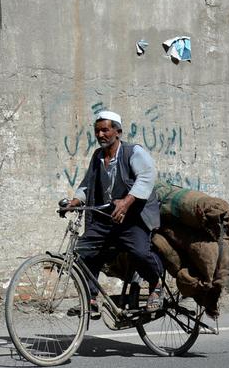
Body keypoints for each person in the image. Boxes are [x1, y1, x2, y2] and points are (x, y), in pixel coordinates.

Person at [65, 110, 164, 314]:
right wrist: (74, 201)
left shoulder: (132, 151)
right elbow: (88, 184)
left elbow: (147, 175)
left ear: (117, 132)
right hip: (109, 217)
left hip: (134, 217)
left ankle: (156, 284)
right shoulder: (98, 156)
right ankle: (90, 299)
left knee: (139, 252)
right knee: (84, 250)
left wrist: (127, 202)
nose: (101, 135)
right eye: (97, 131)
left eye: (105, 130)